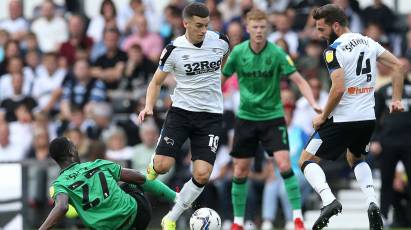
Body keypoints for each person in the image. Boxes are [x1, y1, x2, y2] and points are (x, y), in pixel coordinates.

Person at [298, 4, 404, 230]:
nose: (319, 34)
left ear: (335, 25)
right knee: (355, 158)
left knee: (306, 160)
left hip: (343, 118)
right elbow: (397, 66)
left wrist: (322, 117)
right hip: (367, 118)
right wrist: (396, 99)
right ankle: (372, 202)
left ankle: (328, 200)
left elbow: (337, 89)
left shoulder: (333, 50)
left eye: (321, 29)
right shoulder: (368, 41)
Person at [221, 9, 321, 230]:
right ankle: (237, 222)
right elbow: (221, 80)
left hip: (273, 117)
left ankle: (297, 218)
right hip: (246, 118)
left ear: (268, 29)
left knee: (286, 165)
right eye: (254, 27)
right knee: (239, 171)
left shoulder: (276, 53)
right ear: (247, 29)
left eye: (262, 27)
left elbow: (300, 80)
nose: (258, 31)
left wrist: (313, 103)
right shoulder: (237, 53)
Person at [138, 2, 229, 230]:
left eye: (207, 25)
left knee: (202, 173)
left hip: (210, 116)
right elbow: (156, 81)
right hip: (181, 113)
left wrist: (217, 81)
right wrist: (148, 106)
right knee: (162, 165)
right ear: (185, 23)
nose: (203, 30)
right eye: (198, 26)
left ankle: (171, 217)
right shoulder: (173, 50)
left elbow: (224, 60)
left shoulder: (220, 42)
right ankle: (153, 165)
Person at [39, 137, 177, 230]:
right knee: (129, 183)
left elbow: (62, 207)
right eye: (74, 147)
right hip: (137, 216)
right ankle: (177, 197)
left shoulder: (59, 184)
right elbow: (140, 178)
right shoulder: (98, 164)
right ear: (71, 151)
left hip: (105, 227)